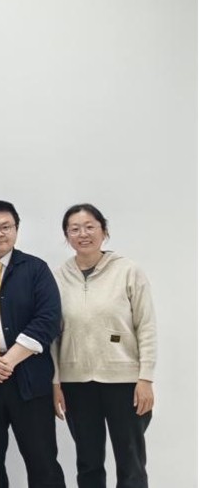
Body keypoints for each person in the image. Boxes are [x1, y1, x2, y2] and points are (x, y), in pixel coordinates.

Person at [0, 200, 65, 488]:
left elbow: (48, 318)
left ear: (16, 229)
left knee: (43, 462)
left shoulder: (36, 269)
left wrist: (9, 360)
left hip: (29, 380)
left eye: (5, 227)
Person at [51, 203, 157, 488]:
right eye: (74, 229)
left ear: (104, 231)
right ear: (66, 235)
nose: (83, 234)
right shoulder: (58, 277)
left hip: (125, 382)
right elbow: (52, 336)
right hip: (76, 384)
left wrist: (145, 378)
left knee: (131, 461)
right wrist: (56, 382)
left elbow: (146, 327)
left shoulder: (128, 271)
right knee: (88, 462)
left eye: (90, 227)